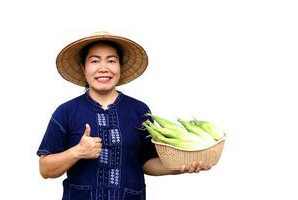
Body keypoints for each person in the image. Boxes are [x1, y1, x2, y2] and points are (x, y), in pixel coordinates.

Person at [37, 31, 211, 200]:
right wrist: (77, 152)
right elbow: (45, 169)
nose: (103, 68)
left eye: (111, 60)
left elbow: (146, 163)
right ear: (84, 67)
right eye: (95, 61)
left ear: (120, 67)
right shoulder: (66, 111)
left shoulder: (139, 110)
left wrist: (180, 167)